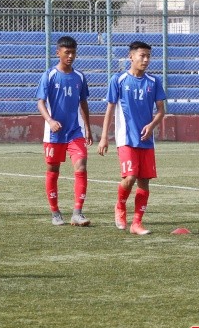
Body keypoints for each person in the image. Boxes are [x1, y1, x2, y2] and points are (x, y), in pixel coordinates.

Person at [97, 41, 166, 235]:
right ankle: (120, 206)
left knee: (144, 181)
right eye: (142, 56)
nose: (145, 60)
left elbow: (161, 111)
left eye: (148, 56)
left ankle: (137, 223)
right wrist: (104, 138)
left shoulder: (153, 82)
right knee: (130, 177)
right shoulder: (118, 80)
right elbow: (109, 110)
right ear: (131, 57)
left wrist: (152, 125)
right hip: (125, 138)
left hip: (146, 140)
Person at [37, 36, 92, 226]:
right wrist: (50, 120)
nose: (70, 56)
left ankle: (77, 212)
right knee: (53, 169)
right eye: (67, 52)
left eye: (73, 52)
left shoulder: (80, 77)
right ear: (58, 52)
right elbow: (40, 102)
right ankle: (55, 212)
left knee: (81, 166)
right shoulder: (50, 75)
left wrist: (88, 129)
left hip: (75, 132)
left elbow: (83, 103)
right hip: (54, 134)